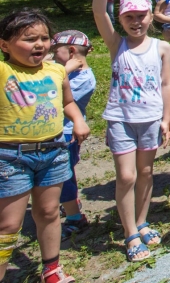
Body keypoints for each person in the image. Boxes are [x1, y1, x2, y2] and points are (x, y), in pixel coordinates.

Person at [92, 0, 170, 263]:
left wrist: (169, 116)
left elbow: (167, 84)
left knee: (145, 172)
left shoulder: (162, 47)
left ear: (151, 17)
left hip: (152, 118)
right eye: (129, 16)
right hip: (121, 119)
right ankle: (129, 232)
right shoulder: (117, 45)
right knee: (125, 176)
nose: (136, 21)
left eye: (141, 15)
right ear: (122, 20)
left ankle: (142, 221)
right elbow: (100, 13)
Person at [0, 10, 90, 283]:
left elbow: (67, 102)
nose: (39, 44)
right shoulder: (4, 70)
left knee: (49, 212)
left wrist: (77, 120)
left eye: (44, 38)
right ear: (4, 45)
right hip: (11, 157)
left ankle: (51, 268)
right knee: (8, 225)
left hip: (53, 151)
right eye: (29, 39)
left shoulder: (55, 70)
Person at [50, 31, 96, 241]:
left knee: (65, 175)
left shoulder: (84, 78)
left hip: (66, 133)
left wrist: (61, 72)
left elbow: (53, 98)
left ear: (70, 51)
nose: (49, 55)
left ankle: (74, 217)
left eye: (53, 50)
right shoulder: (65, 72)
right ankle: (66, 205)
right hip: (54, 132)